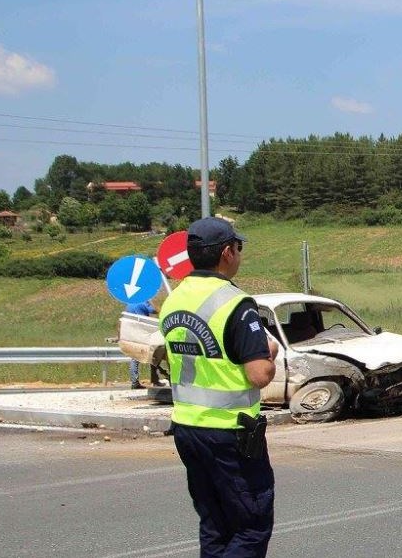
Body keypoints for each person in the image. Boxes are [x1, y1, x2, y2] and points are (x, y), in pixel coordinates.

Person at [160, 217, 278, 556]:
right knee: (251, 525)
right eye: (238, 248)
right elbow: (259, 374)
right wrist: (269, 354)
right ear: (227, 252)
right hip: (230, 431)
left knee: (215, 523)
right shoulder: (235, 302)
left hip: (187, 427)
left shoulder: (174, 299)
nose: (239, 254)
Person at [126, 300, 162, 389]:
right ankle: (155, 380)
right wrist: (153, 304)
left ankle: (134, 382)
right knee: (154, 355)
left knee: (135, 358)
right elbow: (154, 311)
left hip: (132, 331)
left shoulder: (129, 303)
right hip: (143, 331)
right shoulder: (143, 302)